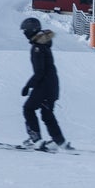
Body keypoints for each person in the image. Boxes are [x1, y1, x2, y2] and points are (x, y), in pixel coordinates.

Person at [19, 16, 70, 150]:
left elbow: (39, 72)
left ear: (31, 31)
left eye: (25, 31)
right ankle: (59, 141)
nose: (24, 33)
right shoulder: (44, 44)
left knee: (28, 109)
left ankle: (35, 139)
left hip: (43, 86)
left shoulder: (37, 47)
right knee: (47, 114)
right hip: (52, 85)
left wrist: (28, 86)